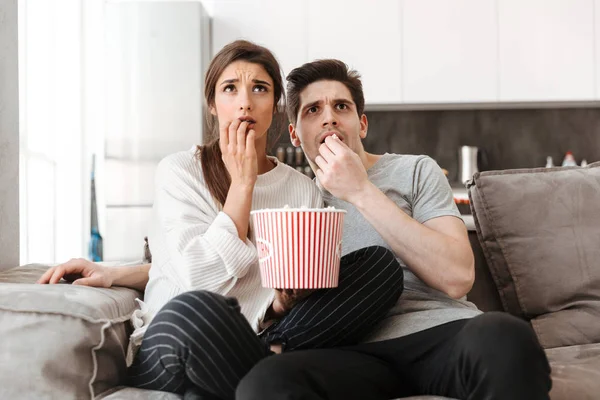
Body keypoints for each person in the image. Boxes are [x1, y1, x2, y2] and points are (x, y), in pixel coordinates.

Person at [38, 42, 403, 400]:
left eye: (259, 88)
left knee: (379, 266)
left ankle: (261, 365)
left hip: (258, 337)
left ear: (275, 107)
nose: (245, 101)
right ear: (213, 104)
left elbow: (284, 287)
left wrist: (283, 303)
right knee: (195, 309)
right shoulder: (179, 171)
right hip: (183, 333)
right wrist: (242, 183)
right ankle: (269, 372)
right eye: (231, 88)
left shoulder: (300, 189)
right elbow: (200, 278)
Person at [234, 59, 552, 400]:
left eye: (341, 106)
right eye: (313, 109)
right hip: (348, 351)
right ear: (295, 134)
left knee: (505, 336)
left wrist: (360, 191)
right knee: (264, 383)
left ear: (362, 124)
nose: (329, 117)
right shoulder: (295, 199)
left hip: (441, 331)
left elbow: (457, 276)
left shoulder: (416, 170)